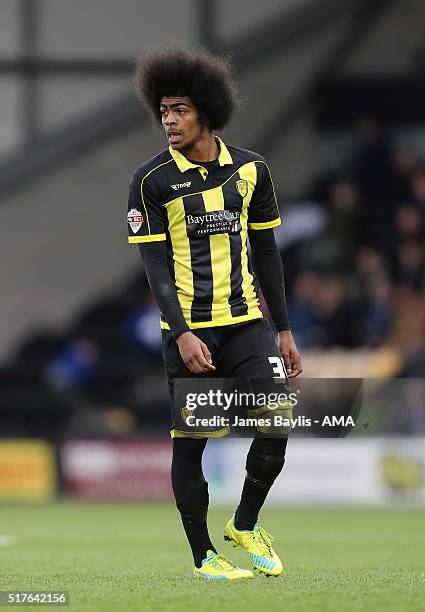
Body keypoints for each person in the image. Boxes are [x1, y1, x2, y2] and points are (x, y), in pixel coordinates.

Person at [127, 44, 302, 580]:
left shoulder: (252, 170)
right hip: (190, 331)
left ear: (206, 108)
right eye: (163, 112)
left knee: (277, 418)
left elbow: (267, 252)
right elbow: (154, 267)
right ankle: (204, 555)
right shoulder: (151, 180)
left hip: (249, 321)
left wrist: (286, 329)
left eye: (180, 110)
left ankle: (245, 524)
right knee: (195, 439)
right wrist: (180, 333)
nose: (170, 121)